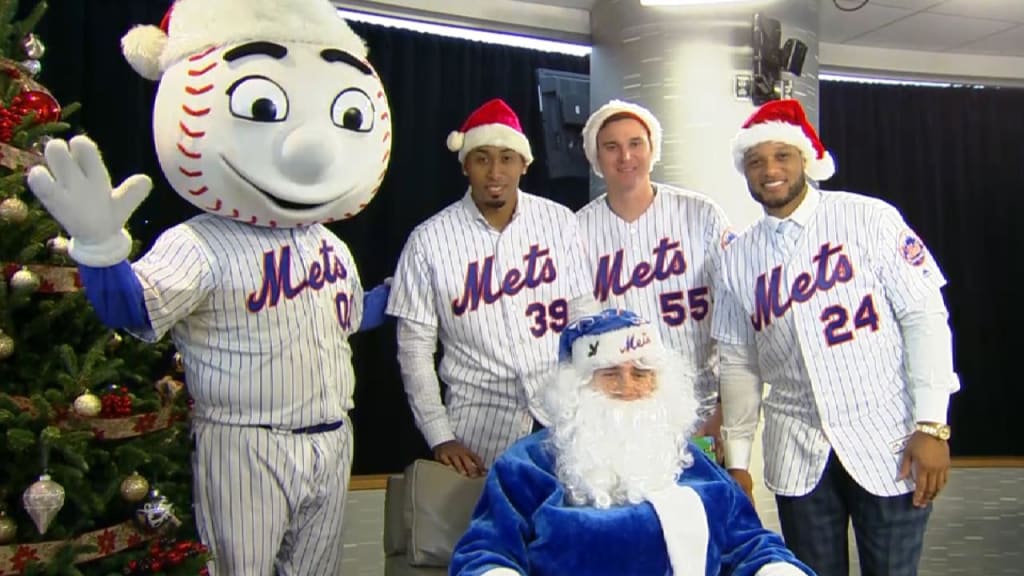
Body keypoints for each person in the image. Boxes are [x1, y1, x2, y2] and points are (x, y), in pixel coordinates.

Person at [27, 1, 393, 573]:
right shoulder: (197, 242)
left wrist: (395, 297)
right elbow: (135, 311)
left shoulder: (328, 244)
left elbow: (345, 318)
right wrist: (101, 253)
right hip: (245, 442)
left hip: (332, 435)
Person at [712, 98, 960, 576]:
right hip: (797, 454)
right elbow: (739, 362)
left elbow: (924, 317)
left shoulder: (869, 218)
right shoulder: (737, 257)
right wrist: (739, 460)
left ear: (805, 158)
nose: (770, 170)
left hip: (889, 442)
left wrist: (932, 424)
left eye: (781, 155)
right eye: (756, 161)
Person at [450, 309, 814, 576]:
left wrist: (776, 569)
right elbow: (486, 553)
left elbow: (750, 543)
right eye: (610, 374)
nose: (628, 386)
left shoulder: (689, 461)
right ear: (576, 387)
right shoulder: (526, 465)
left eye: (641, 374)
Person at [386, 98, 596, 477]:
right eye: (482, 158)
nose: (495, 171)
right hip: (477, 432)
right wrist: (439, 436)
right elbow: (414, 349)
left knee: (563, 532)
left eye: (506, 158)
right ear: (465, 164)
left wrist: (591, 401)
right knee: (487, 536)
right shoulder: (428, 240)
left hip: (561, 418)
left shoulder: (559, 221)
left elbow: (583, 315)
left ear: (524, 163)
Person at [575, 99, 737, 455]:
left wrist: (728, 410)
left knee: (704, 506)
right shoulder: (576, 230)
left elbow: (735, 316)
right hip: (619, 416)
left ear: (652, 149)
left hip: (701, 410)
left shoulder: (701, 214)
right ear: (596, 158)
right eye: (611, 147)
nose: (625, 157)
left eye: (636, 143)